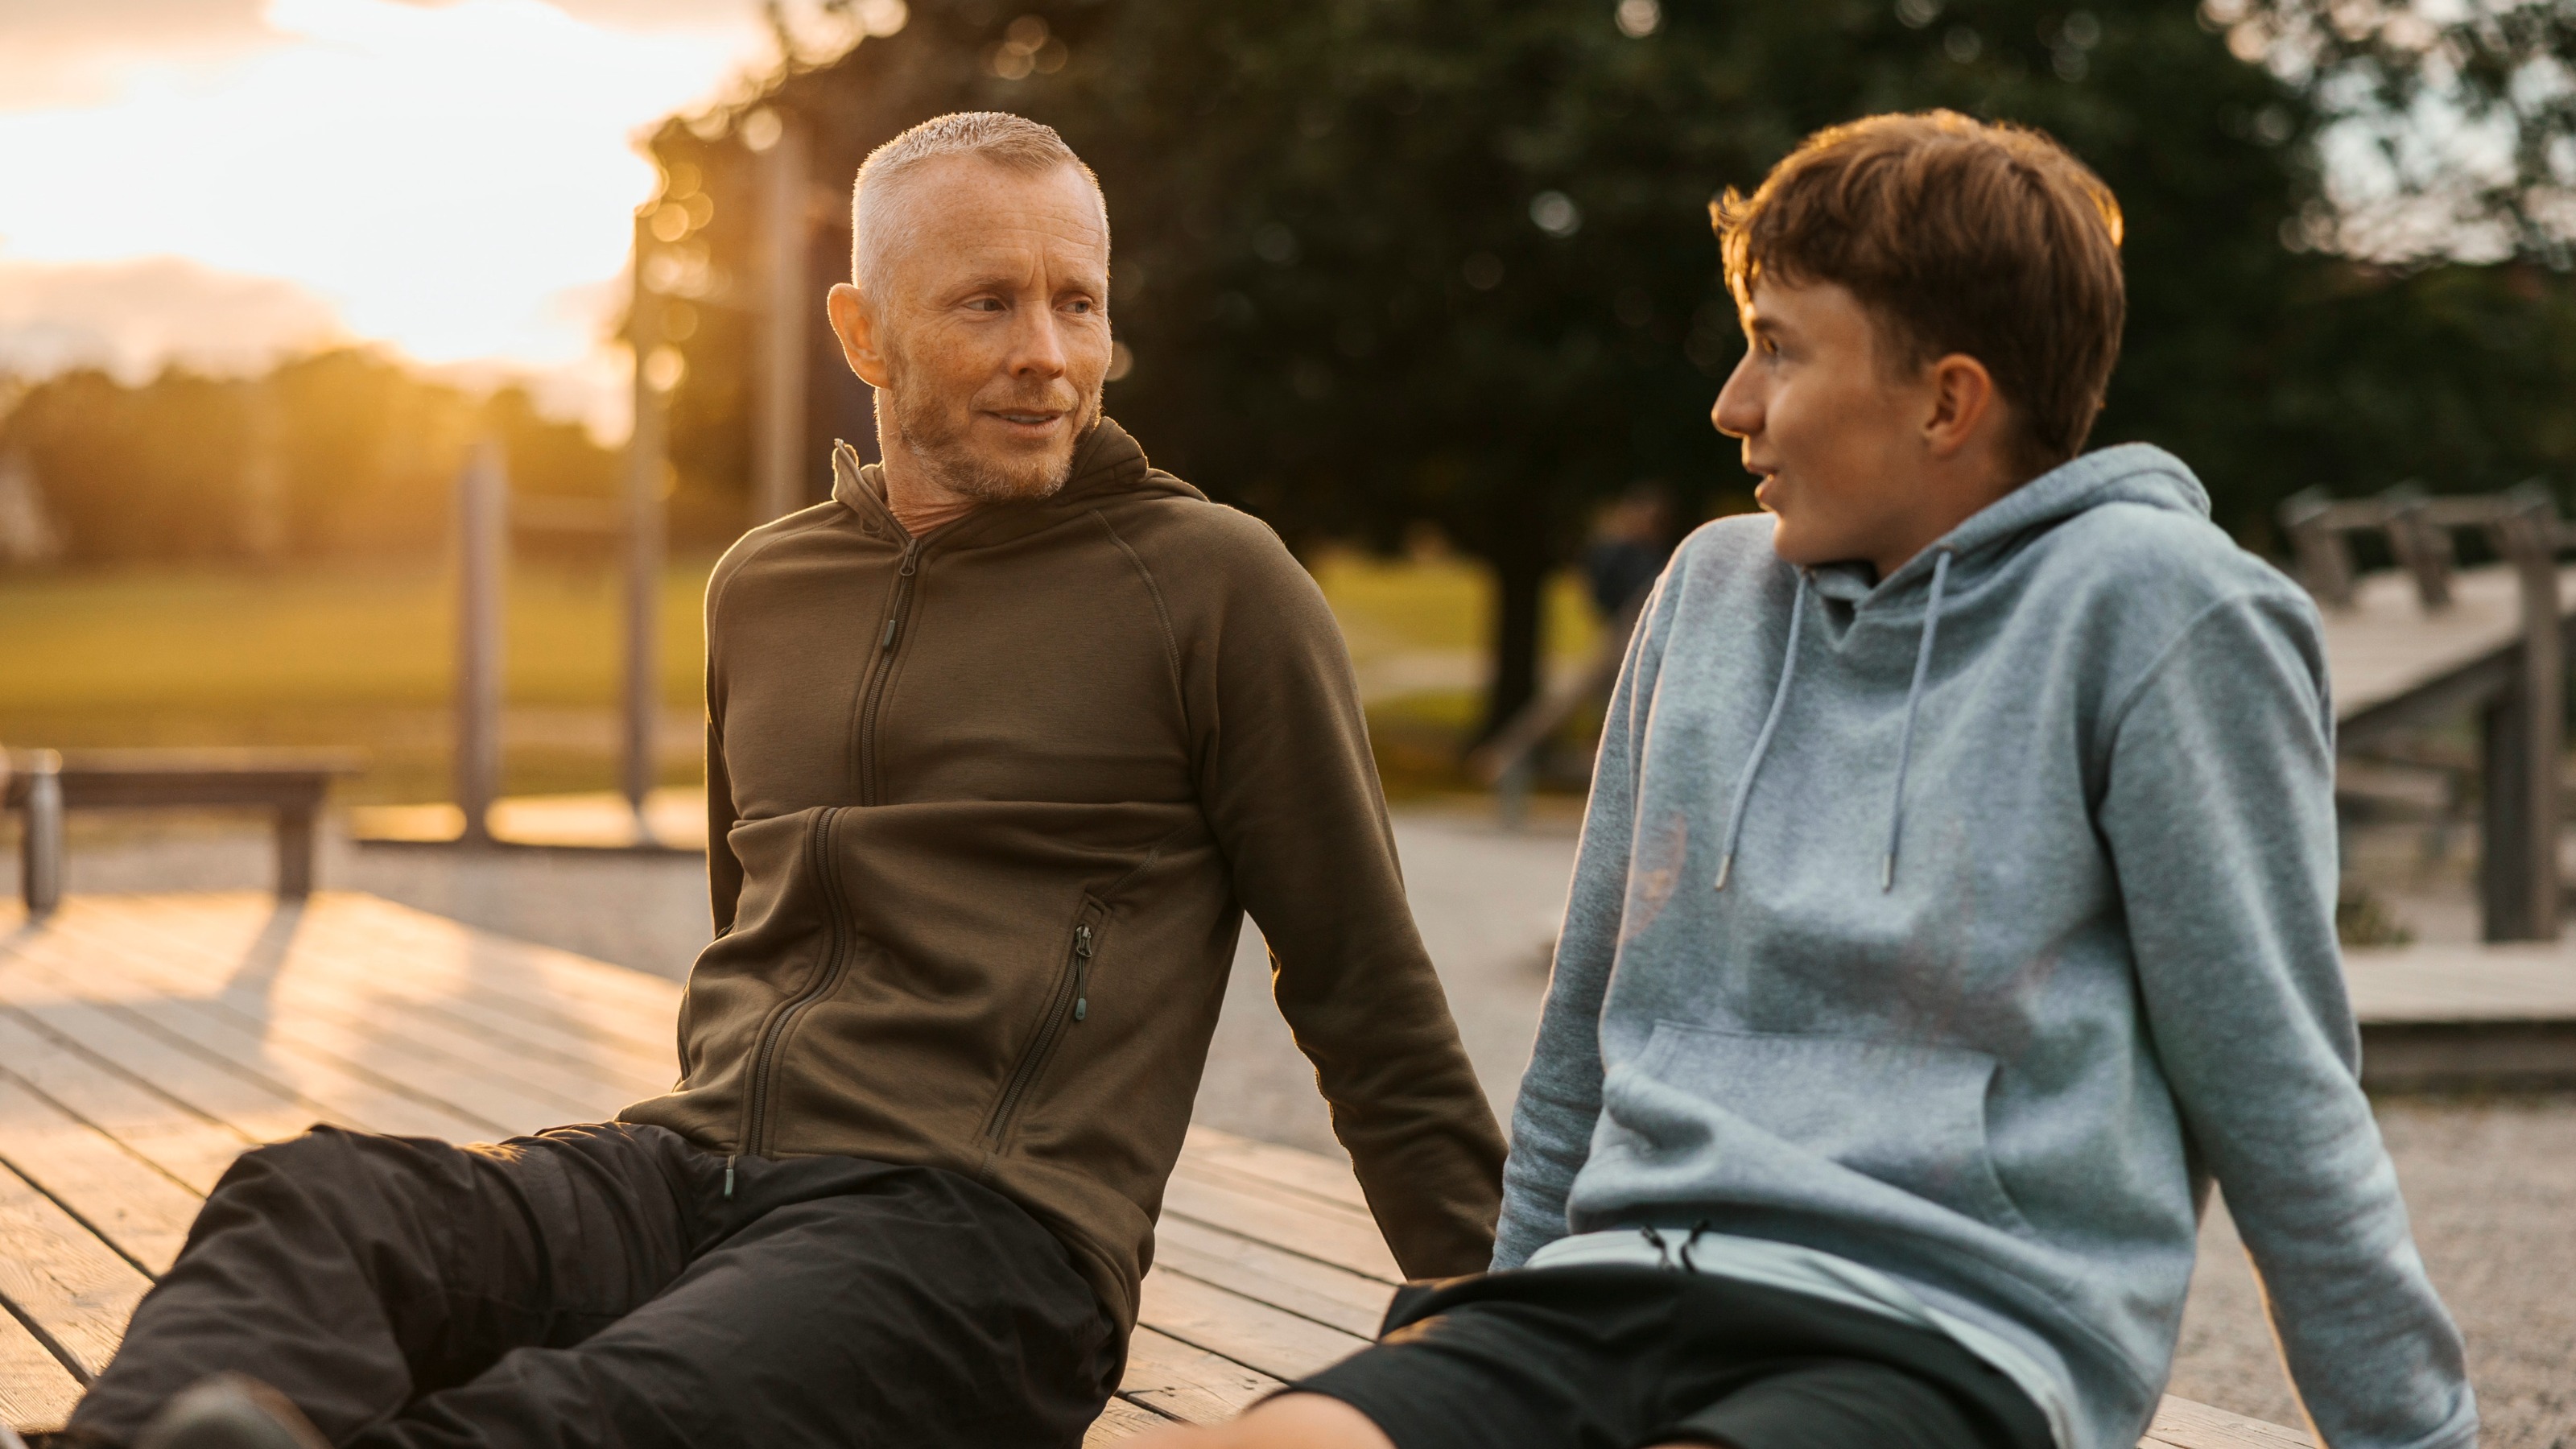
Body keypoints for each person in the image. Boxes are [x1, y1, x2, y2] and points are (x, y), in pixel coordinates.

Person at [31, 112, 1505, 1449]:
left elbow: (1360, 979)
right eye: (987, 303)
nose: (1048, 354)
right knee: (312, 1204)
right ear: (863, 335)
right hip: (692, 1177)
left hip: (980, 1244)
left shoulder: (1213, 585)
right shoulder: (766, 586)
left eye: (1079, 302)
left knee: (584, 1417)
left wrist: (1496, 1315)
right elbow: (756, 930)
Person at [1146, 110, 2475, 1449]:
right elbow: (1583, 1039)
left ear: (1948, 400)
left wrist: (2415, 1438)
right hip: (1615, 1298)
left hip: (1946, 1333)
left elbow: (2278, 1093)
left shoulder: (2160, 614)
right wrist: (1485, 1323)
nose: (1731, 404)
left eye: (1777, 348)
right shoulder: (1711, 595)